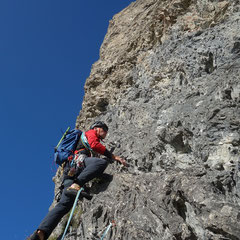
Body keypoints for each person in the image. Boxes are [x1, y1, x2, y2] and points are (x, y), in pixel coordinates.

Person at [29, 121, 126, 240]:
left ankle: (41, 232)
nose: (105, 133)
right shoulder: (90, 133)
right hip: (77, 164)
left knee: (64, 205)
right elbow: (94, 144)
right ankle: (77, 184)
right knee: (101, 163)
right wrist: (113, 156)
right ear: (97, 128)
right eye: (104, 130)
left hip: (70, 172)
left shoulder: (86, 143)